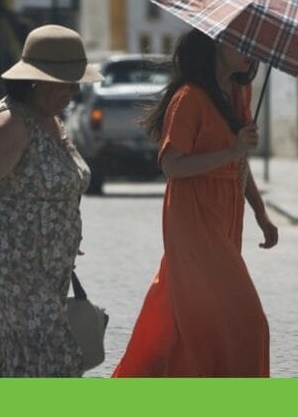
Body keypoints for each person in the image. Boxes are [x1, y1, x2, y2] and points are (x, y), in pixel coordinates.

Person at [0, 24, 103, 377]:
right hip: (13, 269)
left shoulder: (50, 119)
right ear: (38, 81)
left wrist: (64, 230)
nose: (75, 90)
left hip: (47, 270)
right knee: (49, 358)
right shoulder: (10, 123)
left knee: (15, 359)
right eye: (67, 82)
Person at [111, 28, 279, 378]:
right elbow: (172, 165)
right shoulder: (188, 98)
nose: (251, 51)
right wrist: (232, 151)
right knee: (246, 321)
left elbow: (240, 163)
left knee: (190, 313)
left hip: (226, 213)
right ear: (217, 43)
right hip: (193, 216)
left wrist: (260, 213)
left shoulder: (239, 92)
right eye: (243, 43)